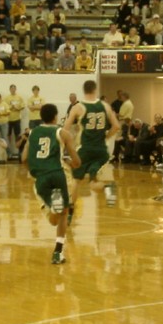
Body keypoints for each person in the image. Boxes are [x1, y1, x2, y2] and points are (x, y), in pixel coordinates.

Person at [22, 103, 81, 264]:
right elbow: (76, 162)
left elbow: (24, 159)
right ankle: (57, 252)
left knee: (55, 217)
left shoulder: (32, 133)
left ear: (41, 117)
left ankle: (56, 207)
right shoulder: (62, 133)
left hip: (41, 177)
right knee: (61, 216)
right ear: (55, 116)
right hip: (57, 174)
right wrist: (71, 162)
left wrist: (34, 170)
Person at [63, 80, 121, 224]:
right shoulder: (105, 106)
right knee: (94, 182)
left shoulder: (78, 107)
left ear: (84, 90)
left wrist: (68, 142)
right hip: (101, 150)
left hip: (85, 149)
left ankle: (70, 212)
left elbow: (65, 128)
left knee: (76, 180)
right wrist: (105, 136)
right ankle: (107, 187)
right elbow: (116, 126)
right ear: (95, 90)